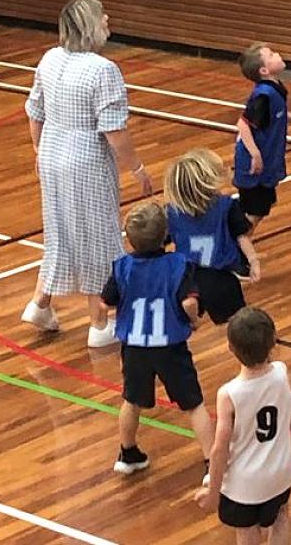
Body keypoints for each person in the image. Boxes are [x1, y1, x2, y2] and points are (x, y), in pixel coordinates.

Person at [21, 0, 153, 347]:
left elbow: (34, 111)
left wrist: (39, 150)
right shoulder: (102, 69)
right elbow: (114, 130)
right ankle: (99, 323)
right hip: (86, 160)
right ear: (90, 25)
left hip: (52, 153)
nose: (107, 18)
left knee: (60, 230)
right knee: (99, 236)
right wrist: (137, 167)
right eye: (101, 15)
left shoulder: (50, 58)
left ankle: (40, 302)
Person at [101, 201, 214, 481]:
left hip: (134, 347)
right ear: (165, 234)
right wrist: (194, 321)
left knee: (131, 400)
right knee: (194, 404)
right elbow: (189, 303)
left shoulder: (122, 267)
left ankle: (127, 453)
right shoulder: (178, 264)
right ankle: (212, 463)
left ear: (130, 238)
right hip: (170, 346)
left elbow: (105, 303)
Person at [194, 307, 291, 545]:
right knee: (281, 518)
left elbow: (219, 449)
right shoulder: (282, 373)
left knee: (247, 533)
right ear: (273, 341)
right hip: (281, 473)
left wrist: (213, 490)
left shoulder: (229, 394)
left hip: (245, 486)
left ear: (230, 348)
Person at [233, 43, 291, 274]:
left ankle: (240, 242)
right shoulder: (263, 96)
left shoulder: (274, 88)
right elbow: (242, 125)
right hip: (253, 164)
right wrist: (255, 154)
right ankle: (237, 252)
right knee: (254, 211)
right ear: (264, 71)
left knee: (262, 206)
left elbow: (273, 115)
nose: (278, 54)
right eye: (271, 55)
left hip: (267, 162)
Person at [165, 148, 261, 324]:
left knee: (185, 323)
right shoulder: (226, 206)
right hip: (221, 279)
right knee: (238, 323)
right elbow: (242, 237)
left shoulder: (171, 213)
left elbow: (158, 244)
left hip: (187, 280)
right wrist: (254, 261)